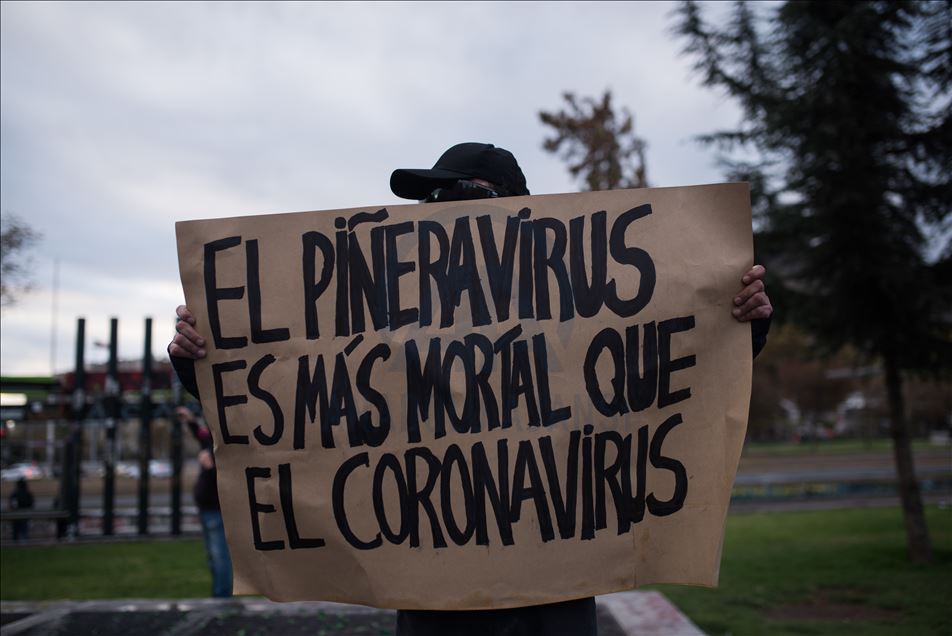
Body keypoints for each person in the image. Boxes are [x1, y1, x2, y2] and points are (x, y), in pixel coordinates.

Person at [168, 142, 773, 635]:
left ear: (516, 215)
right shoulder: (388, 320)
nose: (435, 210)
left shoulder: (577, 317)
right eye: (430, 200)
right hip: (436, 611)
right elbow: (306, 399)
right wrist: (204, 362)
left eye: (455, 197)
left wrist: (738, 321)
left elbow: (657, 372)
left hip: (551, 606)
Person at [176, 405, 233, 598]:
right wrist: (190, 421)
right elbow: (201, 436)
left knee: (219, 556)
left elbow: (229, 469)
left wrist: (212, 467)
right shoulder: (212, 437)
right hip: (209, 506)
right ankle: (220, 593)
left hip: (216, 508)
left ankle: (222, 596)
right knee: (214, 556)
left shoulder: (222, 440)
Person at [9, 477, 34, 542]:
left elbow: (12, 504)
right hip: (25, 514)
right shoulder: (28, 493)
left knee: (16, 531)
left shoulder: (15, 493)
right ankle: (24, 542)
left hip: (16, 514)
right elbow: (31, 503)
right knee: (24, 531)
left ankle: (15, 543)